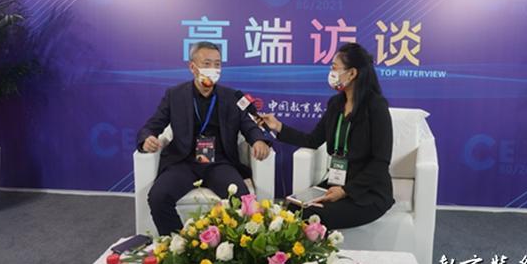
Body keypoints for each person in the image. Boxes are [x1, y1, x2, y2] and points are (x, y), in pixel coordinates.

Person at [137, 41, 271, 236]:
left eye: (217, 64)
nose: (213, 69)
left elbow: (248, 125)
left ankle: (234, 246)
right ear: (192, 67)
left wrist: (259, 140)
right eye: (207, 64)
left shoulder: (232, 97)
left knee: (242, 200)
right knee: (158, 197)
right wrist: (147, 138)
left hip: (219, 163)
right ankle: (178, 243)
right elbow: (153, 124)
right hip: (184, 161)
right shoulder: (174, 95)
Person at [260, 43, 394, 229]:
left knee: (312, 215)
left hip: (368, 191)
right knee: (293, 208)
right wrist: (278, 126)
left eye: (334, 68)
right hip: (337, 181)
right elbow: (312, 140)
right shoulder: (335, 104)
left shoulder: (376, 106)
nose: (331, 73)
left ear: (352, 73)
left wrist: (346, 191)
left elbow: (380, 161)